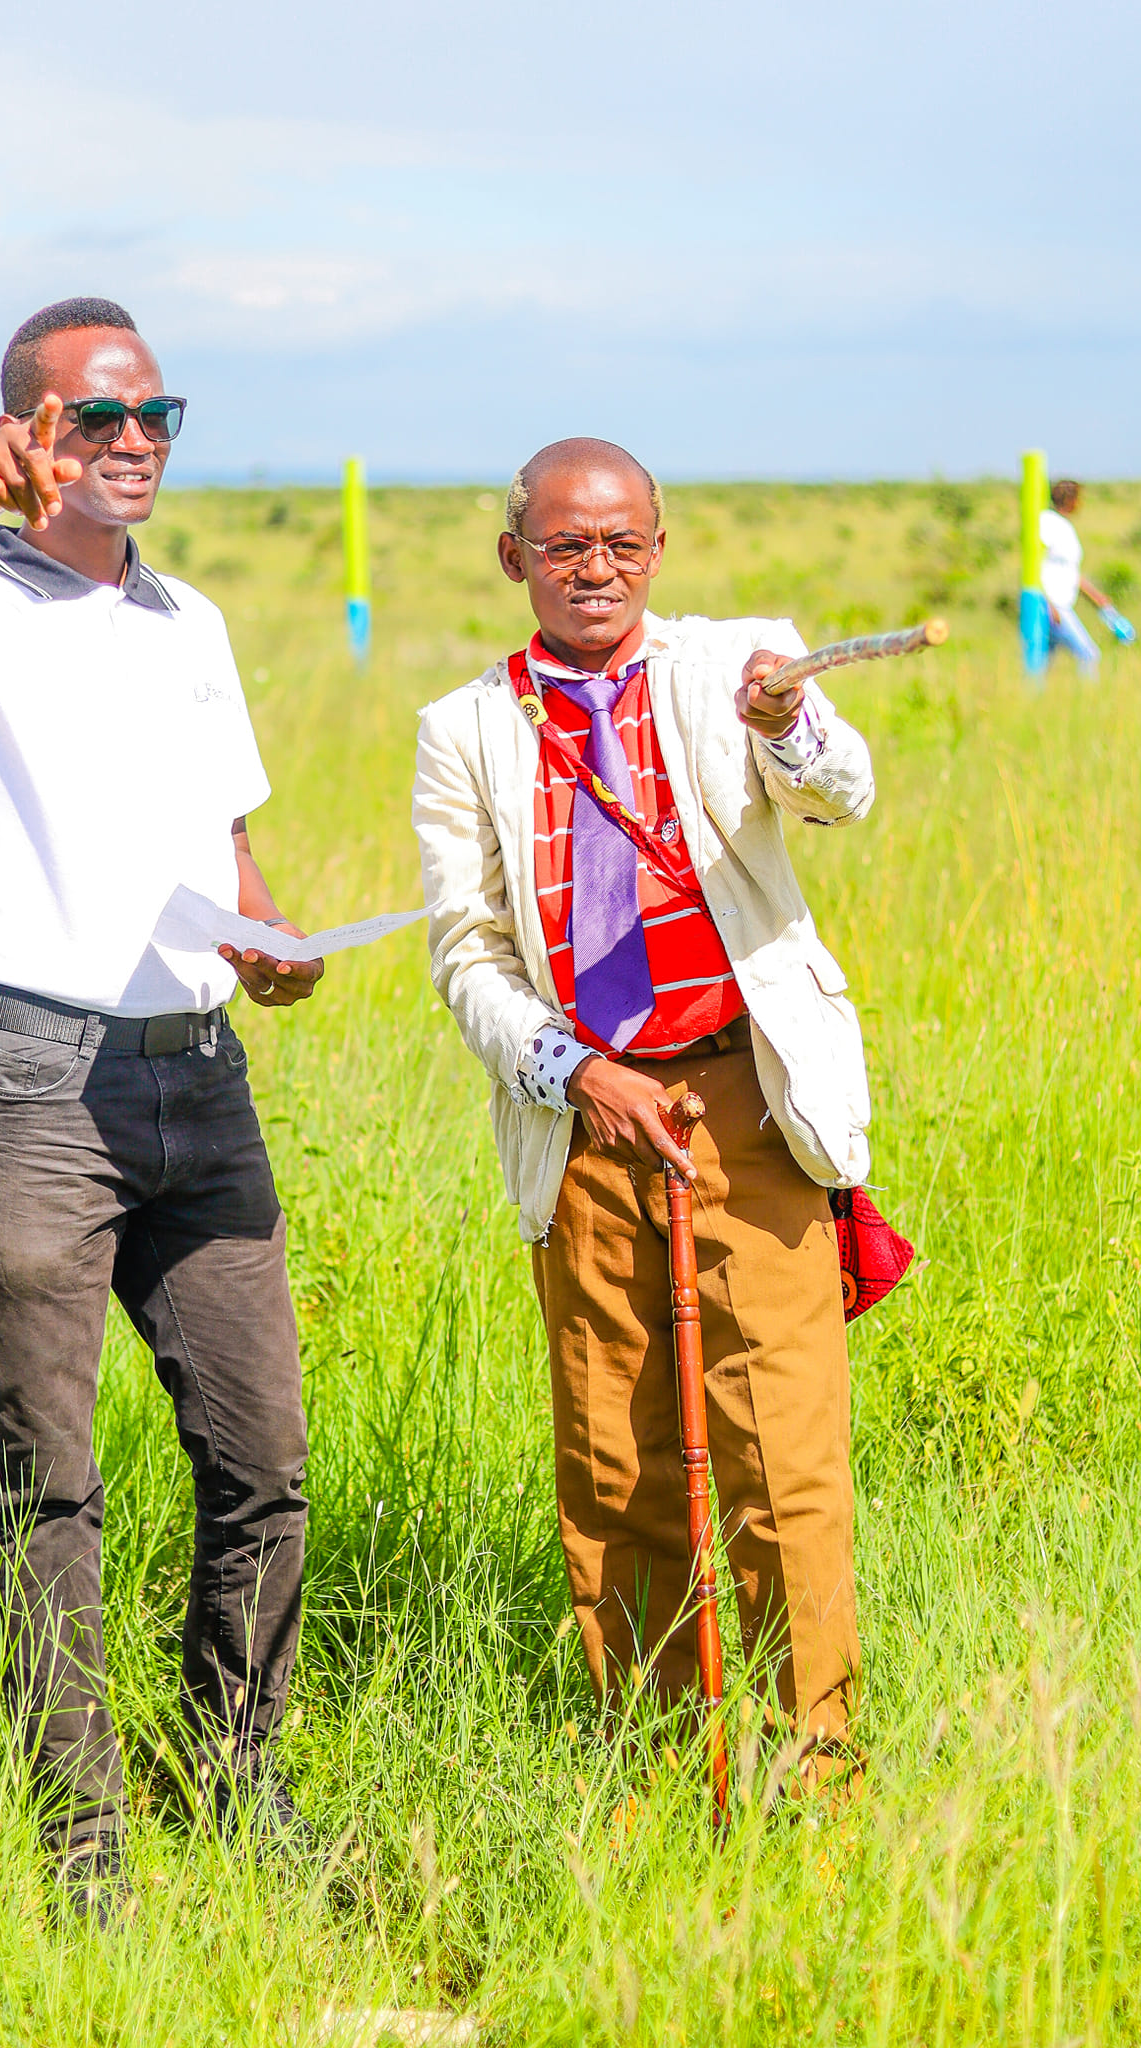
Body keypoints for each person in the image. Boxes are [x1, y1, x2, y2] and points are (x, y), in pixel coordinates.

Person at [0, 296, 324, 1925]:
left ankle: (233, 1766)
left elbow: (230, 837)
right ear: (27, 434)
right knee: (46, 1484)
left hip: (196, 1074)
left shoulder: (188, 620)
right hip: (26, 1081)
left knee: (261, 1454)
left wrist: (269, 936)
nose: (135, 442)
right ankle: (82, 1850)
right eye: (97, 419)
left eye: (156, 415)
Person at [412, 438, 874, 1787]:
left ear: (658, 549)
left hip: (747, 1104)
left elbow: (841, 792)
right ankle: (661, 1761)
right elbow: (468, 952)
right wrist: (576, 1075)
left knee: (781, 1456)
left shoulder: (734, 666)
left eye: (622, 545)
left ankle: (816, 1767)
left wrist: (791, 720)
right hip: (590, 1124)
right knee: (614, 1459)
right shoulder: (469, 729)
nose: (596, 570)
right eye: (566, 548)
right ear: (517, 561)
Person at [1040, 479, 1119, 672]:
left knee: (1043, 664)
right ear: (1070, 500)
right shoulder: (1048, 523)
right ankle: (1090, 699)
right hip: (1053, 604)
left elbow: (1070, 572)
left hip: (1060, 603)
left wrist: (1097, 598)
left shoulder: (1064, 526)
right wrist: (1048, 603)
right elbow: (1036, 564)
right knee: (1088, 655)